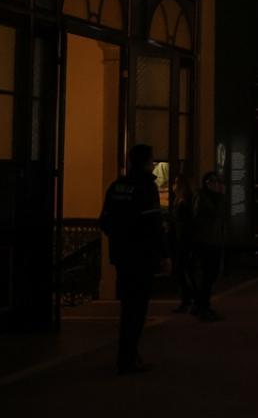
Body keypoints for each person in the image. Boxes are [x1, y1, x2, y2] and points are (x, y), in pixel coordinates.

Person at [100, 144, 168, 374]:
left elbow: (105, 221)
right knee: (137, 309)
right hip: (142, 256)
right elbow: (153, 224)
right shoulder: (146, 187)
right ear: (147, 162)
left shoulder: (117, 186)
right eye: (152, 160)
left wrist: (120, 238)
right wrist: (164, 254)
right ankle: (128, 357)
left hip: (122, 255)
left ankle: (126, 355)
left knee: (127, 307)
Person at [193, 172, 227, 321]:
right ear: (206, 183)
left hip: (214, 240)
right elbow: (214, 213)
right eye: (213, 181)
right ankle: (202, 307)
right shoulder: (203, 197)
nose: (217, 184)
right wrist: (221, 196)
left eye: (218, 181)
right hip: (206, 241)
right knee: (207, 275)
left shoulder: (213, 197)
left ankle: (202, 305)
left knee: (212, 274)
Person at [169, 174, 199, 314]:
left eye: (176, 183)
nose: (173, 186)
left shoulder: (184, 203)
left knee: (184, 271)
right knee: (184, 271)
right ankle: (190, 299)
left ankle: (190, 298)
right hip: (181, 241)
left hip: (184, 242)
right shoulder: (180, 201)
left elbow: (185, 224)